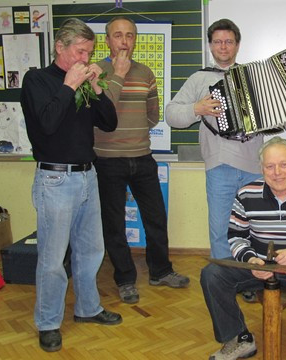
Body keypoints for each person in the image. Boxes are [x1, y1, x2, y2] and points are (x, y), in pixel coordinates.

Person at [166, 19, 286, 262]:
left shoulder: (253, 76)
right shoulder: (199, 79)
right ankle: (225, 279)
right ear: (211, 45)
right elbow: (171, 115)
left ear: (237, 45)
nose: (223, 47)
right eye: (218, 42)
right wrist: (197, 108)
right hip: (219, 167)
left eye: (229, 41)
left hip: (255, 167)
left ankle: (252, 276)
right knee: (221, 230)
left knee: (257, 229)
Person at [20, 18, 122, 352]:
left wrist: (94, 88)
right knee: (52, 258)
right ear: (60, 47)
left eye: (89, 52)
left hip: (87, 176)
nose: (85, 58)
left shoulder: (82, 83)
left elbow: (109, 123)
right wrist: (69, 85)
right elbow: (47, 124)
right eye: (80, 51)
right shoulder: (37, 80)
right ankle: (48, 322)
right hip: (54, 179)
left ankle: (87, 308)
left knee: (92, 250)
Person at [200, 136, 286, 360]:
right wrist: (250, 260)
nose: (277, 172)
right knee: (212, 274)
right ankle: (240, 339)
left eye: (283, 165)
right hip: (258, 265)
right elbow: (236, 236)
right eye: (270, 166)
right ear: (262, 168)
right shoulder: (246, 194)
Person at [94, 16, 189, 305]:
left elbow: (152, 115)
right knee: (114, 224)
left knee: (156, 218)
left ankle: (160, 270)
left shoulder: (147, 73)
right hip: (108, 160)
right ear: (107, 40)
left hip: (142, 157)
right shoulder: (94, 72)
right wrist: (119, 74)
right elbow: (98, 113)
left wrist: (133, 134)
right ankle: (125, 279)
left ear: (135, 40)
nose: (124, 41)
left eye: (130, 36)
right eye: (118, 35)